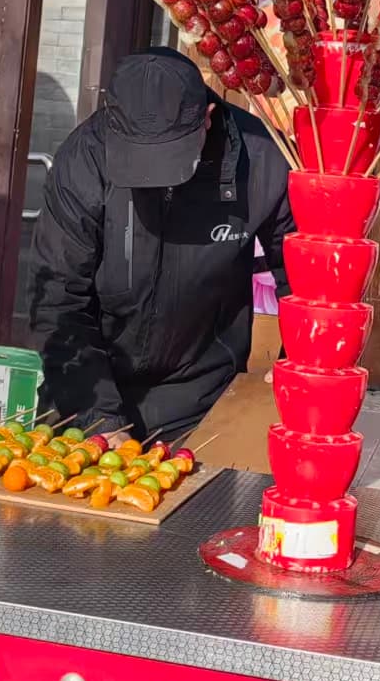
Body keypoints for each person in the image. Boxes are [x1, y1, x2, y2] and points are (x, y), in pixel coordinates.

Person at [28, 47, 294, 439]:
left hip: (204, 398)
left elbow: (306, 275)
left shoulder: (258, 159)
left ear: (206, 118)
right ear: (111, 124)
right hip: (85, 388)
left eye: (169, 158)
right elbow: (59, 298)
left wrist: (298, 369)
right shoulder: (83, 159)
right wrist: (98, 419)